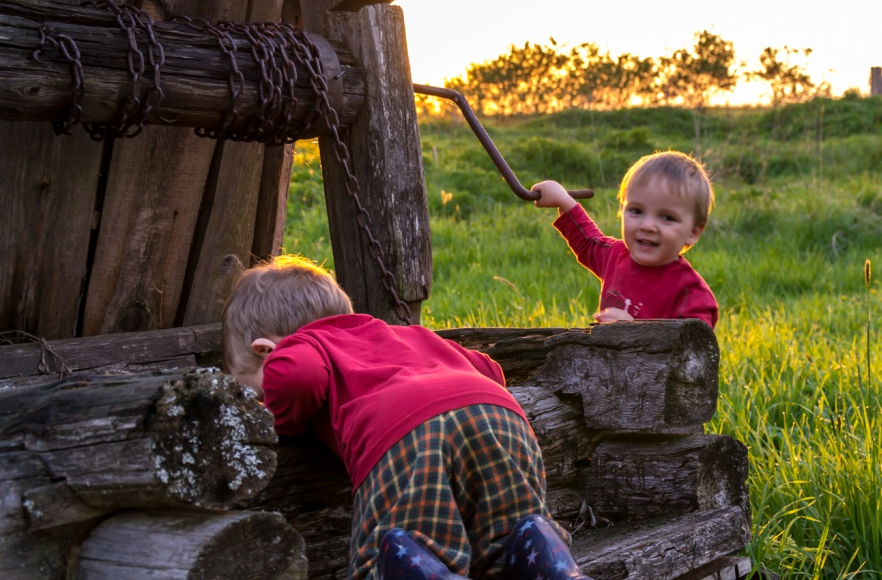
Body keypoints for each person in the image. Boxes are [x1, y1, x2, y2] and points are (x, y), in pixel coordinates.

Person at [221, 255, 591, 580]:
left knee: (406, 548)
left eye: (254, 390)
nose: (261, 399)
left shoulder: (300, 348)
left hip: (409, 435)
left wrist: (280, 421)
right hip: (499, 415)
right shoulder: (406, 334)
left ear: (266, 350)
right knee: (508, 539)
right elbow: (487, 368)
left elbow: (298, 376)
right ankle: (545, 555)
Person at [531, 150, 718, 328]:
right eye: (636, 211)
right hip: (604, 360)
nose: (647, 226)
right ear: (621, 211)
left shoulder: (691, 294)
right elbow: (588, 240)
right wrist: (564, 200)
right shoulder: (615, 255)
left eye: (667, 217)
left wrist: (634, 332)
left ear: (693, 232)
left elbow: (694, 351)